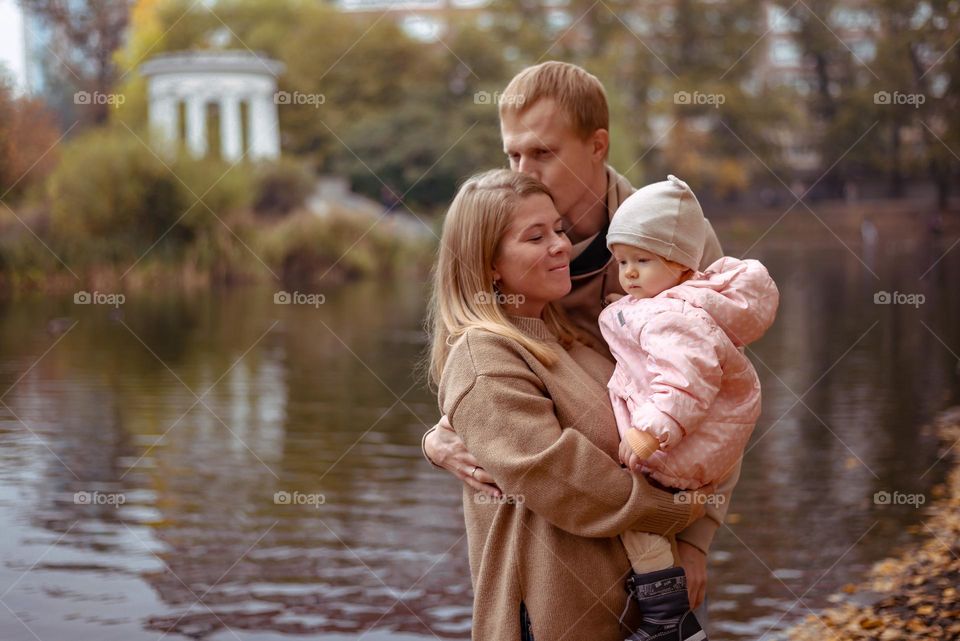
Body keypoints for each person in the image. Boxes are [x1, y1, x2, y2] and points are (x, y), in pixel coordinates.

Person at [423, 61, 734, 616]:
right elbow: (473, 357)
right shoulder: (503, 234)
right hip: (548, 540)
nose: (525, 171)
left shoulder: (674, 238)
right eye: (512, 155)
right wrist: (438, 435)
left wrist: (695, 538)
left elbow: (722, 391)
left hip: (654, 512)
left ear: (597, 145)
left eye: (542, 153)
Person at [597, 175, 778, 635]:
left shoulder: (673, 319)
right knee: (641, 518)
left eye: (643, 261)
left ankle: (667, 619)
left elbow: (685, 384)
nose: (630, 273)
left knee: (637, 517)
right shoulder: (667, 306)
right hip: (691, 446)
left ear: (679, 267)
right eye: (622, 262)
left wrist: (650, 432)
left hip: (674, 447)